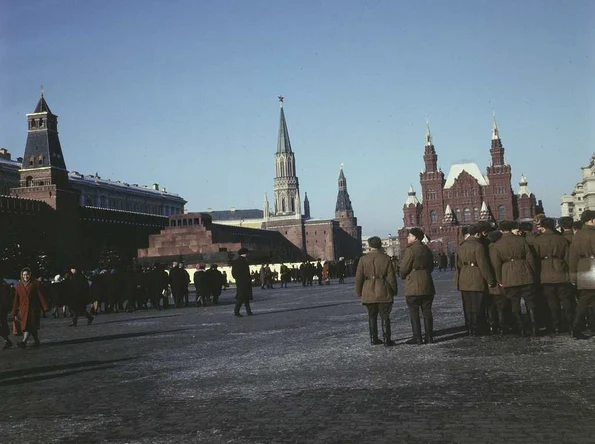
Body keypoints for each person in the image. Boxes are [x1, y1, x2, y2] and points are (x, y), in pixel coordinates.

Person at [490, 220, 538, 336]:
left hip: (508, 275)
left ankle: (521, 328)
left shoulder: (497, 245)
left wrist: (499, 279)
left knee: (514, 303)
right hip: (525, 272)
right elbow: (530, 258)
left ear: (501, 230)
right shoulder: (522, 240)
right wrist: (533, 273)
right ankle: (534, 328)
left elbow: (496, 264)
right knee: (530, 302)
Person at [532, 217, 573, 334]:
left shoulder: (537, 240)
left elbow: (534, 260)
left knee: (552, 302)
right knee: (566, 300)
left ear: (543, 227)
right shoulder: (562, 239)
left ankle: (555, 326)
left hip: (545, 274)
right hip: (561, 272)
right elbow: (568, 258)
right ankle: (571, 323)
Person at [355, 236, 398, 346]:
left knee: (371, 316)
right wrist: (393, 290)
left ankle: (373, 338)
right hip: (383, 289)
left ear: (369, 246)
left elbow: (359, 277)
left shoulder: (363, 259)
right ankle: (387, 339)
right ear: (380, 245)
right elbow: (391, 277)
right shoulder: (386, 258)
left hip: (368, 290)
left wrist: (359, 291)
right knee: (385, 316)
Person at [456, 224, 497, 336]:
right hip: (476, 277)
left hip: (464, 278)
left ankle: (470, 328)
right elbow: (483, 265)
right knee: (477, 305)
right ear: (477, 234)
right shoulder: (478, 246)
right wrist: (490, 280)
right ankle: (477, 329)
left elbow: (458, 264)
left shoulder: (461, 245)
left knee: (468, 305)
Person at [399, 228, 436, 345]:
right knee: (427, 311)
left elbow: (404, 268)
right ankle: (429, 336)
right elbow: (431, 266)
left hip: (413, 284)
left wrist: (403, 275)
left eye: (409, 236)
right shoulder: (426, 249)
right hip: (427, 282)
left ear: (415, 237)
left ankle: (417, 337)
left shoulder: (410, 250)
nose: (407, 237)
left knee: (414, 312)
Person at [568, 210, 595, 339]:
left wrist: (573, 276)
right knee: (585, 300)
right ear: (592, 220)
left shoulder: (577, 235)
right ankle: (576, 328)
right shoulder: (593, 234)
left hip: (582, 267)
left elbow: (572, 257)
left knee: (588, 299)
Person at [12, 268, 49, 348]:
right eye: (24, 275)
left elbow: (40, 296)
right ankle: (36, 341)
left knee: (28, 326)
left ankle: (23, 342)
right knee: (31, 326)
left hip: (33, 309)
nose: (26, 276)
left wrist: (45, 307)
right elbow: (16, 299)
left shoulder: (35, 284)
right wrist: (14, 311)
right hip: (23, 310)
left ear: (30, 275)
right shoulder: (19, 285)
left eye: (27, 274)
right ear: (22, 275)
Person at [232, 248, 253, 317]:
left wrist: (238, 279)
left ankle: (249, 311)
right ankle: (236, 311)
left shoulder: (236, 261)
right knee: (241, 297)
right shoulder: (243, 261)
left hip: (240, 282)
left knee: (245, 297)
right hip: (244, 282)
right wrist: (246, 279)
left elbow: (234, 273)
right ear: (245, 253)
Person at [0, 279, 13, 349]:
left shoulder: (3, 288)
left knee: (2, 325)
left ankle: (7, 341)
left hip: (1, 310)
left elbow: (4, 301)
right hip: (2, 310)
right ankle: (7, 341)